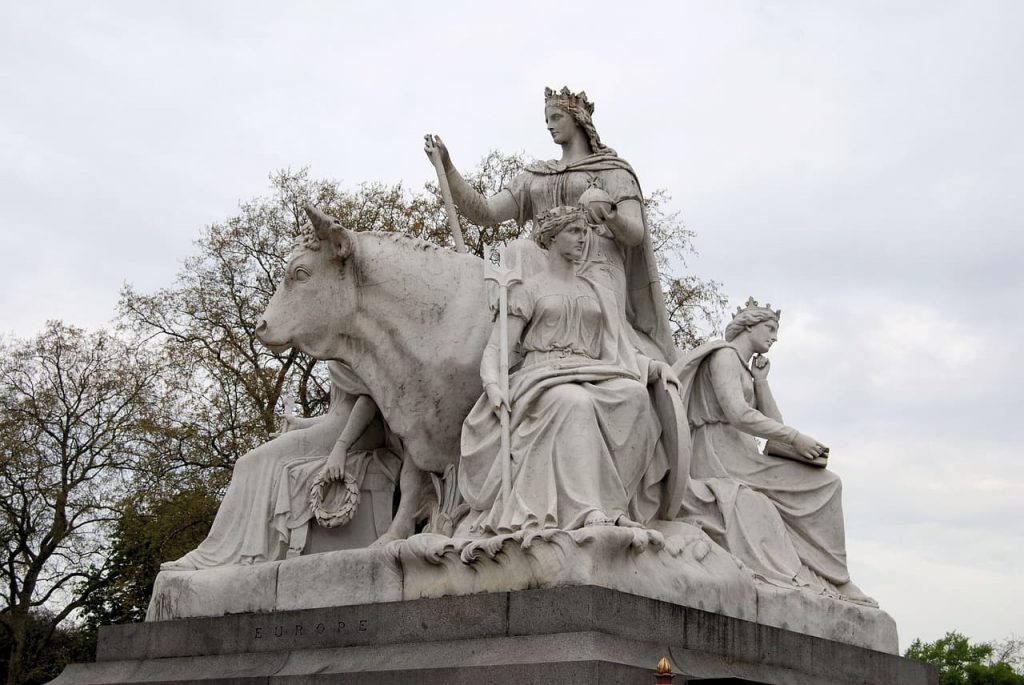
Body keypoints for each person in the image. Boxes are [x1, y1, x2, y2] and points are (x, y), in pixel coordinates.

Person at [458, 206, 688, 535]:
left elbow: (616, 348)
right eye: (575, 232)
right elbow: (497, 348)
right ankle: (584, 508)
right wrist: (493, 384)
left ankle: (613, 504)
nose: (584, 239)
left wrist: (652, 367)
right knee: (574, 402)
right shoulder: (528, 289)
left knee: (635, 396)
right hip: (542, 376)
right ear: (552, 237)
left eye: (585, 232)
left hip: (593, 371)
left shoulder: (596, 290)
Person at [424, 86, 676, 362]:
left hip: (598, 267)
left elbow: (635, 233)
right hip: (546, 264)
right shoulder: (537, 176)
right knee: (518, 250)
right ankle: (503, 359)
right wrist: (448, 168)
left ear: (578, 119)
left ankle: (613, 369)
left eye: (556, 118)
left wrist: (610, 212)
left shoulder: (613, 171)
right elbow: (485, 212)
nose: (549, 126)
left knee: (606, 336)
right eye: (546, 120)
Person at [673, 298, 875, 604]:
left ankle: (834, 577)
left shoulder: (746, 368)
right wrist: (795, 438)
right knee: (823, 486)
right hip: (718, 455)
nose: (775, 337)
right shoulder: (724, 357)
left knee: (828, 483)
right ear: (749, 326)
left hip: (745, 456)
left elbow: (772, 427)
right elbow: (738, 414)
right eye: (769, 328)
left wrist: (762, 382)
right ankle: (835, 579)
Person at [162, 361, 400, 569]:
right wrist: (299, 423)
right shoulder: (337, 342)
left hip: (362, 432)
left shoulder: (351, 337)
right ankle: (233, 552)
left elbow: (369, 400)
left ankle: (219, 555)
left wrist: (341, 448)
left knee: (251, 463)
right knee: (251, 462)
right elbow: (338, 412)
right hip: (343, 428)